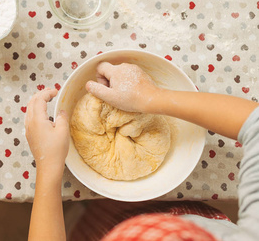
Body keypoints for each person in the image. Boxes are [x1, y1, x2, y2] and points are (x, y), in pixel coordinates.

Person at [24, 62, 259, 241]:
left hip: (100, 228)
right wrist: (151, 97)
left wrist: (48, 167)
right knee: (107, 206)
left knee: (92, 219)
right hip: (187, 212)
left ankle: (86, 215)